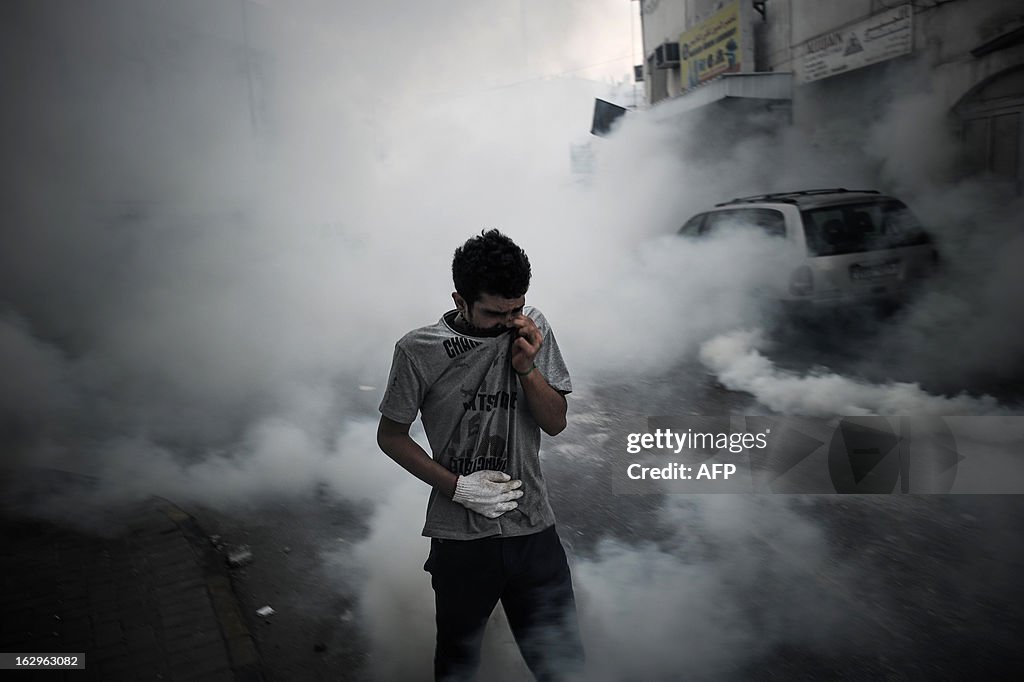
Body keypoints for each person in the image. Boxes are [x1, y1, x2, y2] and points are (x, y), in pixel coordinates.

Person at [377, 229, 584, 681]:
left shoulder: (534, 328)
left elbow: (556, 422)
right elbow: (390, 436)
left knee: (563, 664)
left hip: (533, 528)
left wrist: (528, 368)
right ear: (461, 299)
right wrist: (458, 487)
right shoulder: (419, 350)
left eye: (516, 308)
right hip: (462, 540)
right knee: (457, 664)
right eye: (494, 312)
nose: (509, 321)